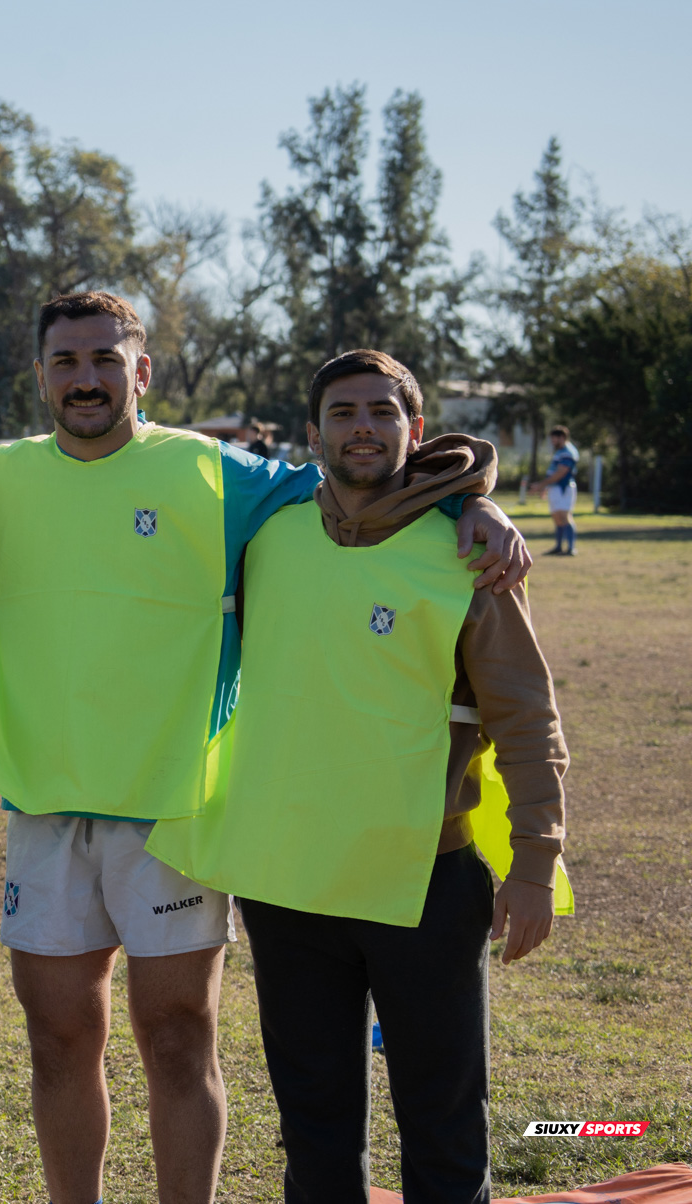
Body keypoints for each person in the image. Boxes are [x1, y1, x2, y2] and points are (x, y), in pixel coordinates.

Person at [0, 291, 530, 1204]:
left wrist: (473, 498)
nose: (86, 377)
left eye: (107, 359)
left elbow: (364, 479)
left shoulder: (221, 474)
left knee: (178, 1039)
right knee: (57, 1044)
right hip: (42, 806)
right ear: (40, 376)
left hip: (179, 809)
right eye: (66, 361)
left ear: (142, 371)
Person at [149, 349, 567, 1204]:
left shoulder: (464, 551)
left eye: (383, 412)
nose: (363, 428)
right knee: (315, 1126)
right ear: (313, 434)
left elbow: (528, 716)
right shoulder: (266, 531)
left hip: (422, 881)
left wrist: (534, 862)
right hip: (287, 878)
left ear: (415, 431)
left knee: (444, 1126)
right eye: (344, 413)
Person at [543, 424, 579, 555]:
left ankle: (571, 548)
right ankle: (559, 546)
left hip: (563, 488)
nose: (553, 442)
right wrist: (546, 486)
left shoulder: (568, 452)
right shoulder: (559, 451)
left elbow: (561, 473)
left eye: (554, 439)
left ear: (562, 437)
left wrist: (542, 484)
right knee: (557, 517)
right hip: (554, 488)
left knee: (565, 516)